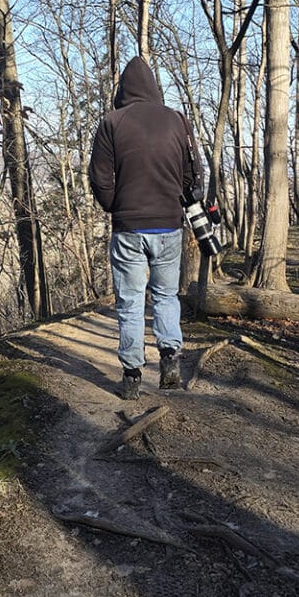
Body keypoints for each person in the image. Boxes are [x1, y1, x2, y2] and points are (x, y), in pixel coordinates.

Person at [88, 55, 206, 399]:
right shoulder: (178, 121)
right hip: (169, 226)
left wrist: (114, 206)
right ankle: (170, 359)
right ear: (155, 88)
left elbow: (99, 179)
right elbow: (192, 177)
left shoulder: (111, 122)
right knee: (166, 295)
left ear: (123, 90)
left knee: (130, 301)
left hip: (128, 228)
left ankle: (131, 377)